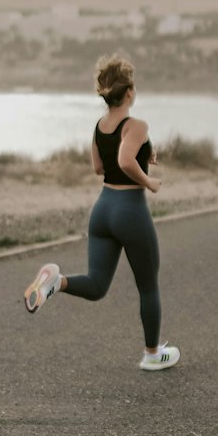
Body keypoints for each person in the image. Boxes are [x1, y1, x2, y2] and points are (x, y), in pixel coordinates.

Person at [24, 56, 181, 371]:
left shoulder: (99, 126)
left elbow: (100, 167)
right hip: (130, 211)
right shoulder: (136, 125)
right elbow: (124, 161)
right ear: (130, 92)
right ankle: (153, 354)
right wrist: (149, 181)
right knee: (148, 285)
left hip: (102, 210)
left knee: (97, 285)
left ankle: (57, 281)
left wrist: (143, 156)